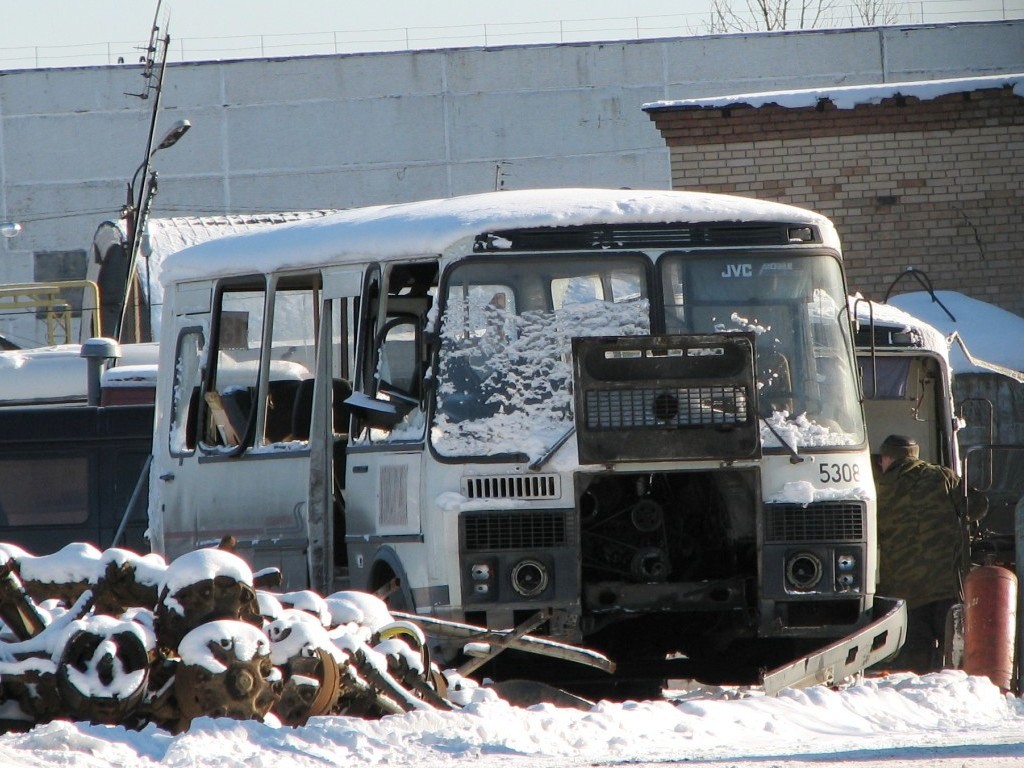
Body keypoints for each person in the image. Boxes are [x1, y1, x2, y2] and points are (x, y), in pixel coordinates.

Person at [875, 434, 966, 673]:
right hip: (946, 588)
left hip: (904, 596)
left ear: (886, 458)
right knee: (955, 660)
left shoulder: (878, 489)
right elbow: (976, 507)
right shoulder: (942, 476)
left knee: (914, 669)